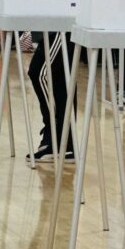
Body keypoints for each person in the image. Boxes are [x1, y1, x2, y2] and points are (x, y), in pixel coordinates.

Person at [25, 32, 76, 163]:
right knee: (61, 78)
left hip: (61, 26)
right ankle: (61, 141)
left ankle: (57, 136)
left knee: (41, 74)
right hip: (52, 26)